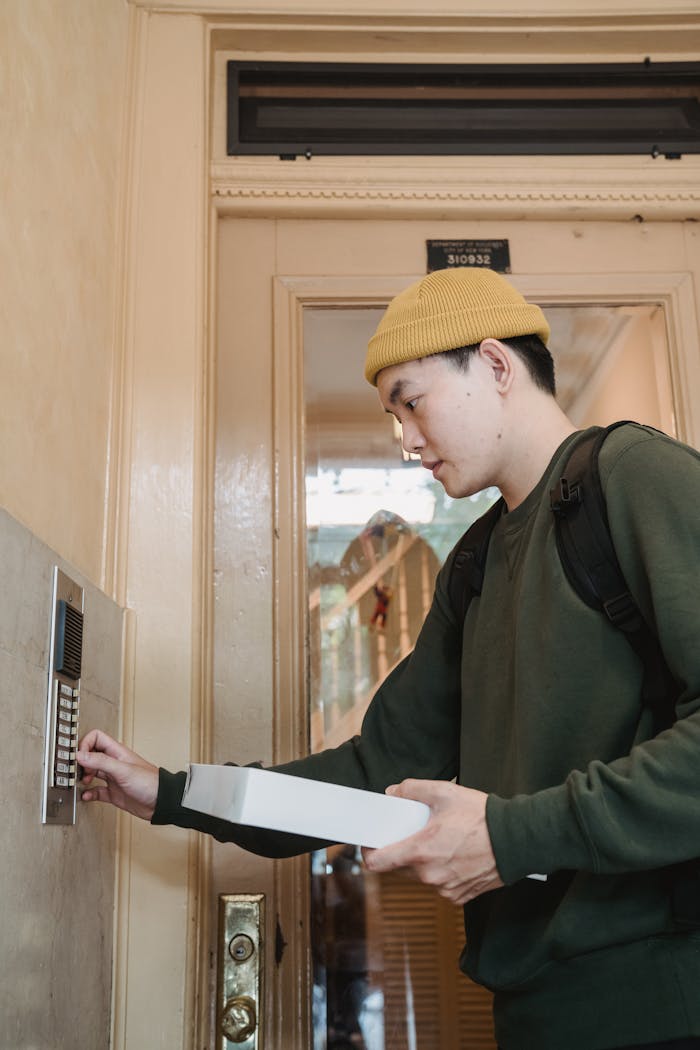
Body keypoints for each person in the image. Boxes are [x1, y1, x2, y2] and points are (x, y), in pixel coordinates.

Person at [78, 267, 700, 1050]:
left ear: (497, 365)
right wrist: (173, 793)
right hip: (536, 1015)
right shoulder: (472, 567)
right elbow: (375, 768)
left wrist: (519, 835)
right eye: (391, 415)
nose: (405, 440)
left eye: (412, 400)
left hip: (669, 1008)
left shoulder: (636, 477)